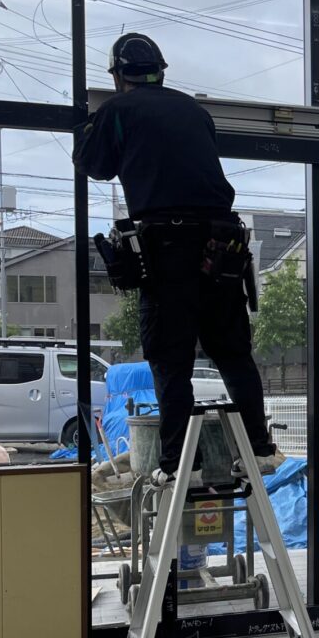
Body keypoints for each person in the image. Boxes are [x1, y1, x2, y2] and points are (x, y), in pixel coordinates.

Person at [76, 32, 281, 484]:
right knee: (233, 354)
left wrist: (89, 125)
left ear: (119, 76)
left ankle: (176, 464)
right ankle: (260, 447)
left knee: (171, 363)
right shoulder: (194, 111)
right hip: (221, 249)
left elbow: (94, 165)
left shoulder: (118, 110)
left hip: (168, 252)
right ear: (160, 72)